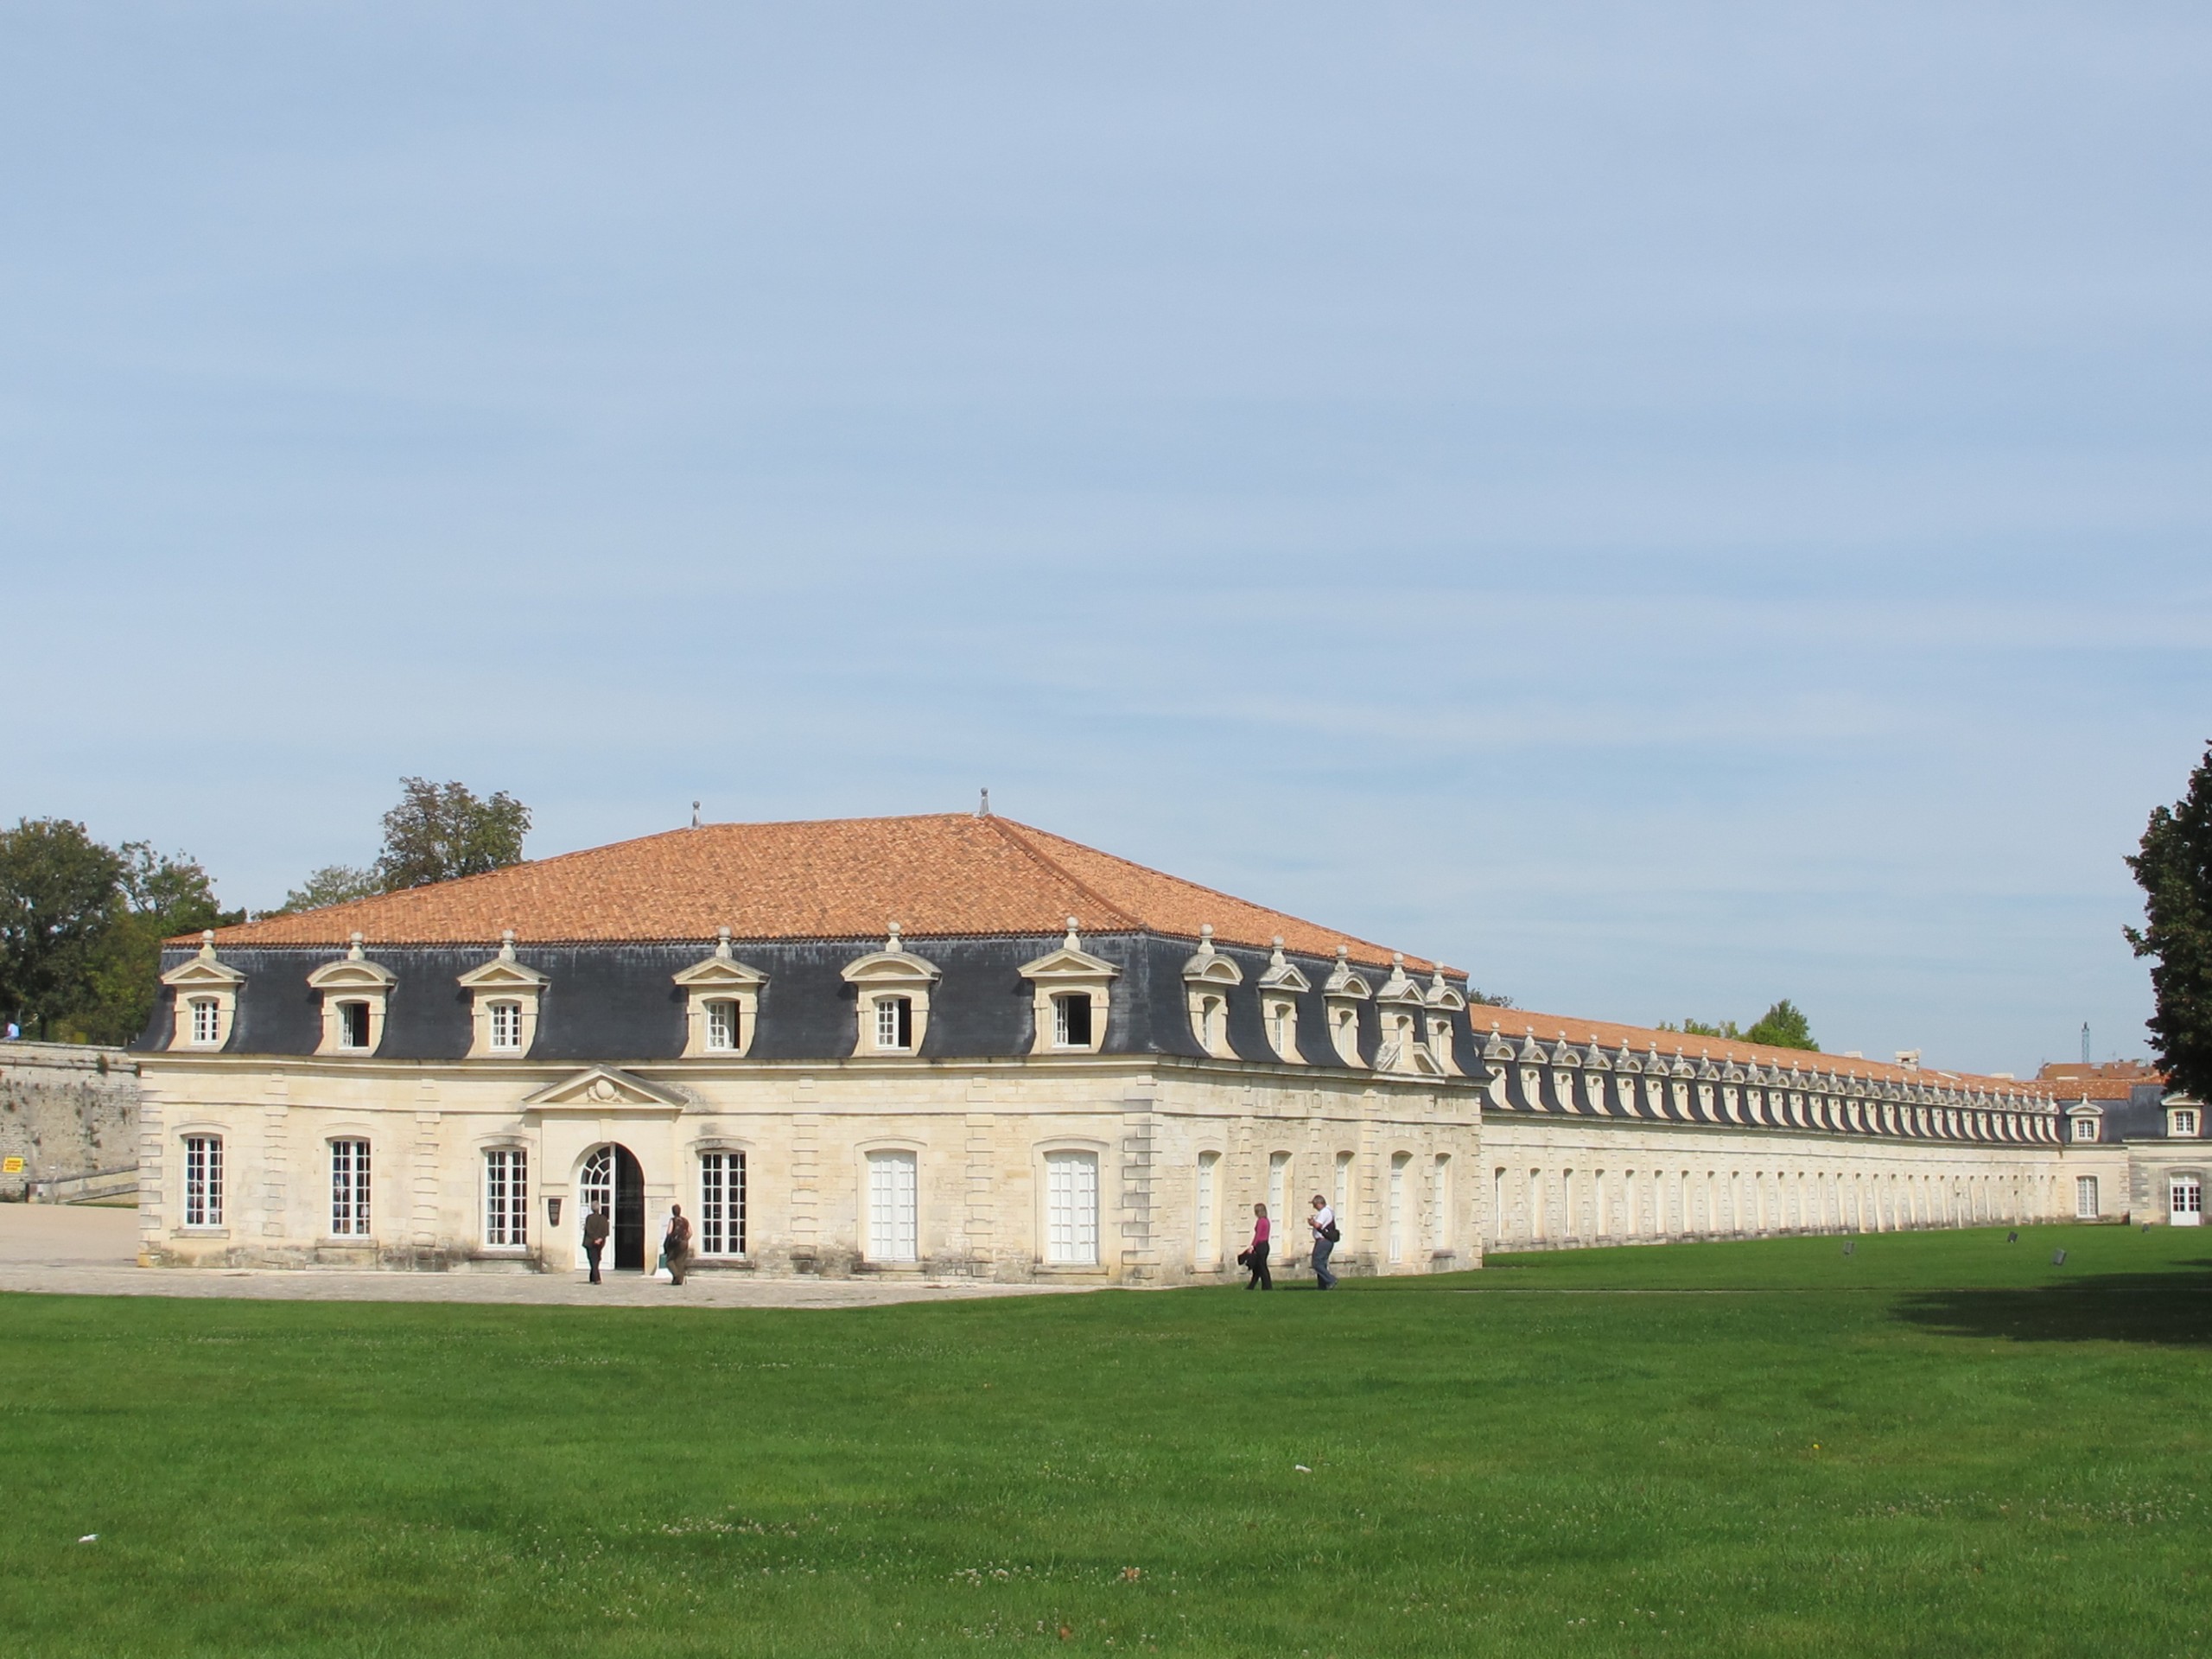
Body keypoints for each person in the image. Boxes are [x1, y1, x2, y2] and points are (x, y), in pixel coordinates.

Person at [1308, 1192, 1338, 1290]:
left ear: (1319, 1203)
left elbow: (1318, 1225)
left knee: (1316, 1263)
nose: (1314, 1207)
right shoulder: (1329, 1211)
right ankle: (1322, 1285)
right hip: (1326, 1241)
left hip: (1323, 1241)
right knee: (1322, 1263)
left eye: (1314, 1205)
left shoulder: (1324, 1212)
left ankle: (1330, 1279)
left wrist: (1312, 1222)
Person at [664, 1202, 692, 1286]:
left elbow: (669, 1232)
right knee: (680, 1261)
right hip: (684, 1243)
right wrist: (686, 1239)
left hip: (675, 1243)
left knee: (670, 1261)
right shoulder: (685, 1220)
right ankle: (678, 1280)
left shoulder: (673, 1220)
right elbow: (690, 1232)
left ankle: (677, 1276)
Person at [1245, 1203, 1272, 1290]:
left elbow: (1258, 1235)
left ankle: (1267, 1286)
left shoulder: (1261, 1221)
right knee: (1259, 1267)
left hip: (1260, 1245)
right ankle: (1252, 1286)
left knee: (1262, 1267)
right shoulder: (1267, 1221)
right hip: (1265, 1245)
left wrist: (1252, 1246)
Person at [582, 1203, 609, 1284]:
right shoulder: (604, 1218)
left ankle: (597, 1278)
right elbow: (606, 1231)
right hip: (600, 1242)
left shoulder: (589, 1218)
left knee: (593, 1259)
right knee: (596, 1259)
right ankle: (592, 1277)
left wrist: (595, 1239)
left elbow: (588, 1230)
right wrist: (600, 1238)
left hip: (590, 1242)